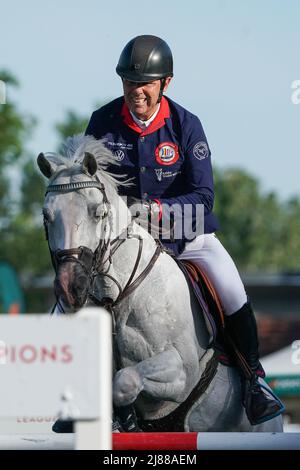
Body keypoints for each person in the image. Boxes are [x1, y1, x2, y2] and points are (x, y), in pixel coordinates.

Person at [85, 35, 284, 426]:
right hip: (123, 244)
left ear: (166, 83)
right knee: (71, 295)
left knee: (231, 288)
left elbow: (204, 197)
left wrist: (155, 211)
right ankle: (70, 396)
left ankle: (252, 381)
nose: (135, 91)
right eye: (128, 82)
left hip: (185, 234)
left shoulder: (185, 125)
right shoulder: (103, 122)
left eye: (144, 84)